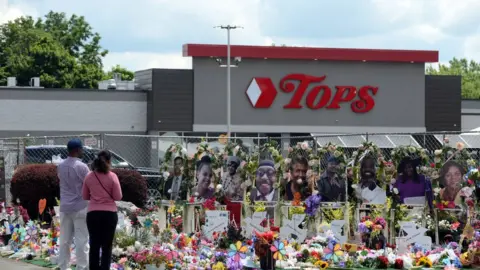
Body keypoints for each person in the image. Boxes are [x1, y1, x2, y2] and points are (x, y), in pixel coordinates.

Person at [82, 150, 122, 270]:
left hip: (93, 214)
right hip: (109, 214)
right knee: (107, 246)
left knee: (94, 244)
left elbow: (84, 196)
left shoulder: (89, 176)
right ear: (109, 161)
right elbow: (118, 196)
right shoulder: (112, 176)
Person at [57, 139, 90, 270]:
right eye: (81, 149)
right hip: (80, 206)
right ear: (77, 150)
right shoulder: (82, 167)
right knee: (81, 239)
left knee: (65, 239)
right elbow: (89, 184)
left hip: (65, 206)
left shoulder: (60, 166)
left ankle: (63, 266)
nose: (82, 151)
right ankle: (82, 267)